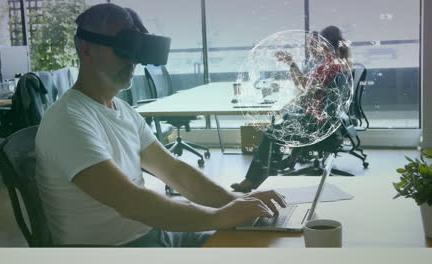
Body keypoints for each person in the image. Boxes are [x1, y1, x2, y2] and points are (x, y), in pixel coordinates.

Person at [35, 3, 287, 247]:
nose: (133, 61)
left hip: (155, 234)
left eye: (138, 51)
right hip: (118, 249)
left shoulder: (121, 110)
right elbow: (129, 201)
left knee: (258, 243)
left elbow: (175, 171)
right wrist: (219, 218)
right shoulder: (68, 119)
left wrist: (235, 202)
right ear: (87, 50)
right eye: (125, 49)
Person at [231, 26, 352, 193]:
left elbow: (304, 95)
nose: (312, 48)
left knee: (272, 133)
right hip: (332, 124)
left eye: (315, 44)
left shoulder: (326, 67)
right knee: (287, 120)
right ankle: (285, 163)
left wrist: (294, 100)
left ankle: (254, 180)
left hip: (317, 125)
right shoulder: (338, 64)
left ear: (324, 45)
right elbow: (306, 86)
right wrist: (291, 64)